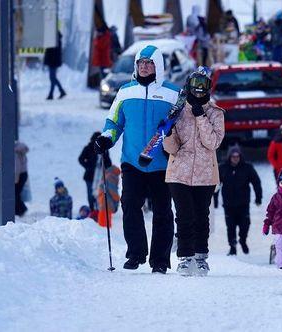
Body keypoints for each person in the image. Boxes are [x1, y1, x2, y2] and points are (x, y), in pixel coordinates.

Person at [94, 44, 179, 273]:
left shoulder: (172, 93)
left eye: (149, 63)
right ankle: (136, 254)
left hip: (162, 162)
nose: (144, 67)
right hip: (132, 160)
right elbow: (113, 123)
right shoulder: (125, 92)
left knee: (162, 211)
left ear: (158, 66)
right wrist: (106, 139)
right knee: (130, 205)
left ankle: (160, 260)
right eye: (141, 63)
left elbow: (182, 126)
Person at [163, 67, 225, 276]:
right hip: (179, 171)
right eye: (195, 85)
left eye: (203, 85)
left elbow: (213, 142)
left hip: (205, 173)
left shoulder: (215, 113)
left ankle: (200, 256)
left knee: (201, 215)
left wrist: (201, 117)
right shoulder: (178, 111)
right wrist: (168, 133)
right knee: (184, 214)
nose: (199, 90)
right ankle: (184, 256)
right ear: (189, 85)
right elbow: (171, 148)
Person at [219, 145, 262, 256]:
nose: (235, 158)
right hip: (228, 204)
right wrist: (213, 199)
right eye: (233, 156)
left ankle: (243, 240)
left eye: (237, 156)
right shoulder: (223, 168)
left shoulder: (247, 167)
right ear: (229, 157)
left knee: (245, 224)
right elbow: (216, 184)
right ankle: (232, 246)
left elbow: (256, 182)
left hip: (243, 203)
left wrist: (258, 197)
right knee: (231, 226)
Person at [78, 132, 111, 211]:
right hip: (89, 176)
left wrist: (105, 165)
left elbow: (109, 163)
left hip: (101, 177)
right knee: (90, 194)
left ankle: (99, 211)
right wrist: (88, 166)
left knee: (100, 194)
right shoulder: (88, 148)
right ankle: (92, 210)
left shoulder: (104, 150)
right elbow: (81, 159)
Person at [96, 163, 121, 228]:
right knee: (106, 224)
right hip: (107, 202)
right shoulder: (111, 176)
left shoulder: (106, 175)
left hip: (102, 200)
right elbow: (112, 190)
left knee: (101, 223)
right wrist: (118, 199)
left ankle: (101, 234)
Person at [44, 30, 66, 100]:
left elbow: (51, 52)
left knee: (52, 78)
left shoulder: (54, 41)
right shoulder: (56, 40)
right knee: (53, 78)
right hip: (54, 61)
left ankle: (54, 93)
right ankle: (59, 92)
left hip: (53, 61)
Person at [14, 141, 29, 217]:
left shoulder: (16, 153)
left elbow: (17, 168)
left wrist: (16, 179)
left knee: (15, 193)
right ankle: (20, 209)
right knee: (17, 193)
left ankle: (21, 210)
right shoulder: (22, 152)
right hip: (23, 174)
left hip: (19, 175)